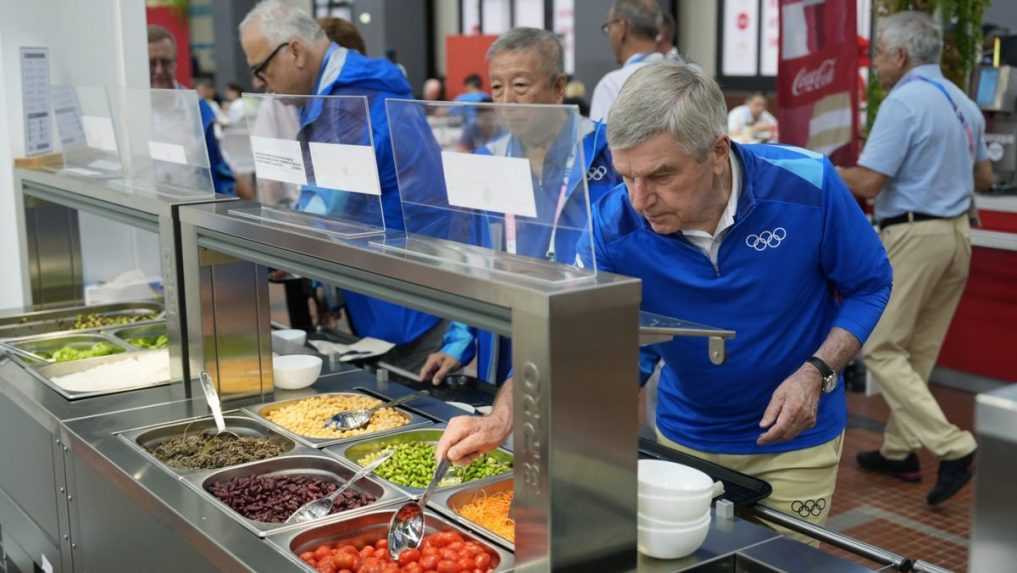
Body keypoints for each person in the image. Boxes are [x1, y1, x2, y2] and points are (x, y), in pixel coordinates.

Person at [437, 62, 893, 532]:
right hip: (684, 438)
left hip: (798, 443)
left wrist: (816, 373)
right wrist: (502, 417)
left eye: (659, 176)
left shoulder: (808, 184)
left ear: (718, 151)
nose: (639, 199)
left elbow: (870, 283)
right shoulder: (612, 225)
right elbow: (566, 331)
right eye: (626, 176)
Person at [836, 12, 993, 506]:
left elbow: (868, 182)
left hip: (914, 235)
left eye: (879, 53)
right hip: (957, 237)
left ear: (901, 55)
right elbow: (985, 177)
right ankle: (900, 450)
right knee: (918, 351)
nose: (877, 63)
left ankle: (955, 447)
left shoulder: (904, 101)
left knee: (880, 345)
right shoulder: (965, 104)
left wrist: (817, 167)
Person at [239, 0, 446, 371]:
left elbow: (329, 203)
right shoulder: (333, 94)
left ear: (295, 52)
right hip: (384, 282)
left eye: (261, 68)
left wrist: (273, 244)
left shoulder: (352, 100)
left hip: (407, 293)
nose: (260, 83)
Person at [419, 28, 623, 386]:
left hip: (587, 333)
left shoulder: (606, 151)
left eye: (521, 85)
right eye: (497, 87)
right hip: (509, 335)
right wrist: (459, 341)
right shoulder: (489, 159)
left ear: (559, 88)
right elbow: (476, 260)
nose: (507, 100)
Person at [148, 25, 236, 196]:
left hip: (191, 209)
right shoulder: (130, 109)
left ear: (175, 63)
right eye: (151, 63)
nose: (158, 70)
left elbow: (218, 169)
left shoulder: (197, 108)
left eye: (165, 62)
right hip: (145, 210)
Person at [590, 0, 664, 122]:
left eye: (609, 27)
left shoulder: (611, 85)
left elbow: (599, 140)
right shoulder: (686, 76)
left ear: (622, 28)